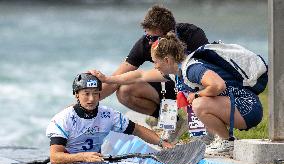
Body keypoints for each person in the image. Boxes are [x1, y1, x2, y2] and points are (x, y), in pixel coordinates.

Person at [90, 32, 263, 153]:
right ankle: (224, 140)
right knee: (199, 104)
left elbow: (218, 85)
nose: (155, 66)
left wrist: (196, 95)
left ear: (166, 60)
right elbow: (140, 75)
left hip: (247, 107)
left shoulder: (192, 68)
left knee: (199, 104)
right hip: (236, 107)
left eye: (156, 62)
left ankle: (227, 143)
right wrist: (108, 79)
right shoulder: (177, 70)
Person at [99, 5, 208, 120]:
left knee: (194, 91)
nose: (149, 42)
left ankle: (197, 120)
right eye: (147, 35)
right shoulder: (146, 43)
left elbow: (211, 72)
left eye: (152, 37)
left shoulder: (192, 34)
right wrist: (89, 99)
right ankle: (173, 120)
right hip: (171, 84)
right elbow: (134, 75)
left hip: (198, 85)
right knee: (125, 90)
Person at [46, 73, 173, 164]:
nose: (91, 99)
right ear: (76, 95)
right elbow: (55, 158)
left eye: (95, 93)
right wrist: (83, 157)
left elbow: (138, 130)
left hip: (95, 163)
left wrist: (162, 143)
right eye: (86, 93)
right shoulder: (63, 119)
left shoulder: (109, 115)